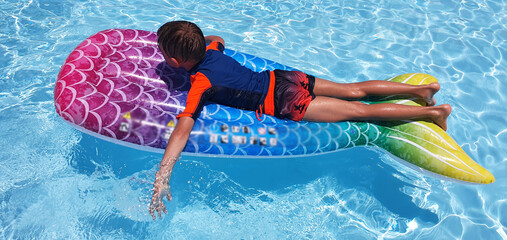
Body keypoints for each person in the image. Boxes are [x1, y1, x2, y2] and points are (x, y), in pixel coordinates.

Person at [149, 20, 451, 219]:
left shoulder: (201, 82)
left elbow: (183, 127)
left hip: (283, 101)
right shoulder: (212, 48)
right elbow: (217, 37)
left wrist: (162, 176)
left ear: (174, 62)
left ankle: (432, 112)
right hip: (285, 78)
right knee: (354, 91)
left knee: (362, 112)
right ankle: (422, 90)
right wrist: (196, 40)